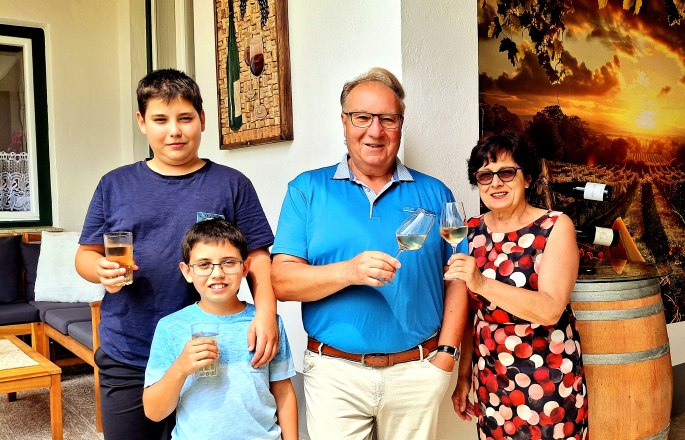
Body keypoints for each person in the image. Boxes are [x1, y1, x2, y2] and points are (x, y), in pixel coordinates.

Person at [75, 68, 278, 440]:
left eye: (185, 118)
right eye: (160, 119)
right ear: (142, 122)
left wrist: (266, 313)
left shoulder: (232, 184)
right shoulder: (114, 183)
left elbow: (259, 258)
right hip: (129, 348)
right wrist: (99, 269)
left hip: (212, 347)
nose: (175, 130)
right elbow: (85, 254)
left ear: (202, 120)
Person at [271, 67, 468, 440]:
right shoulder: (306, 190)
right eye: (362, 118)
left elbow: (459, 276)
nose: (374, 131)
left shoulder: (437, 193)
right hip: (334, 375)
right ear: (344, 123)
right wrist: (348, 271)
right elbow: (281, 281)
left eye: (387, 119)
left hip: (418, 371)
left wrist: (446, 355)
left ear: (400, 125)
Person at [448, 132, 588, 439]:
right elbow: (472, 315)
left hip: (548, 376)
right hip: (490, 377)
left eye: (506, 172)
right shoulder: (471, 231)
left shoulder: (555, 226)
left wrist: (481, 282)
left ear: (526, 178)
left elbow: (551, 309)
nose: (495, 183)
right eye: (485, 175)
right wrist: (463, 377)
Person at [143, 218, 297, 439]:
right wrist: (181, 368)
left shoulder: (266, 323)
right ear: (187, 271)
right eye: (204, 264)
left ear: (245, 268)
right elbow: (154, 412)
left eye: (228, 262)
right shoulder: (171, 327)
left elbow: (283, 394)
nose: (217, 273)